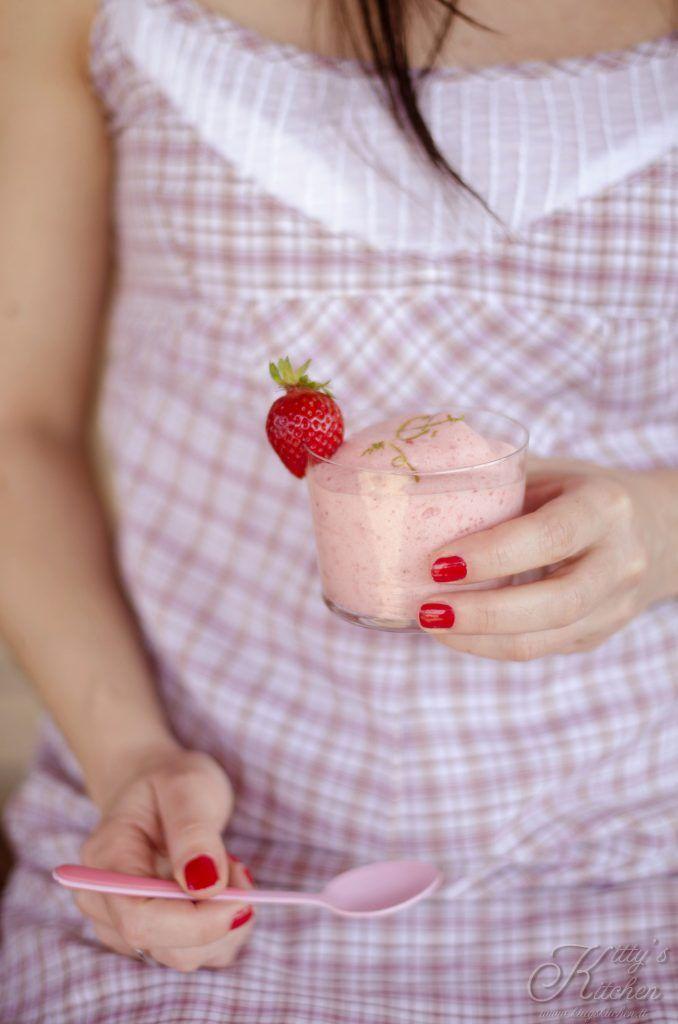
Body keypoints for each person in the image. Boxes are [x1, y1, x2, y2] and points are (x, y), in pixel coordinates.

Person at [0, 0, 676, 1020]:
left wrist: (663, 530)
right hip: (203, 855)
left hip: (637, 861)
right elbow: (19, 426)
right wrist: (131, 758)